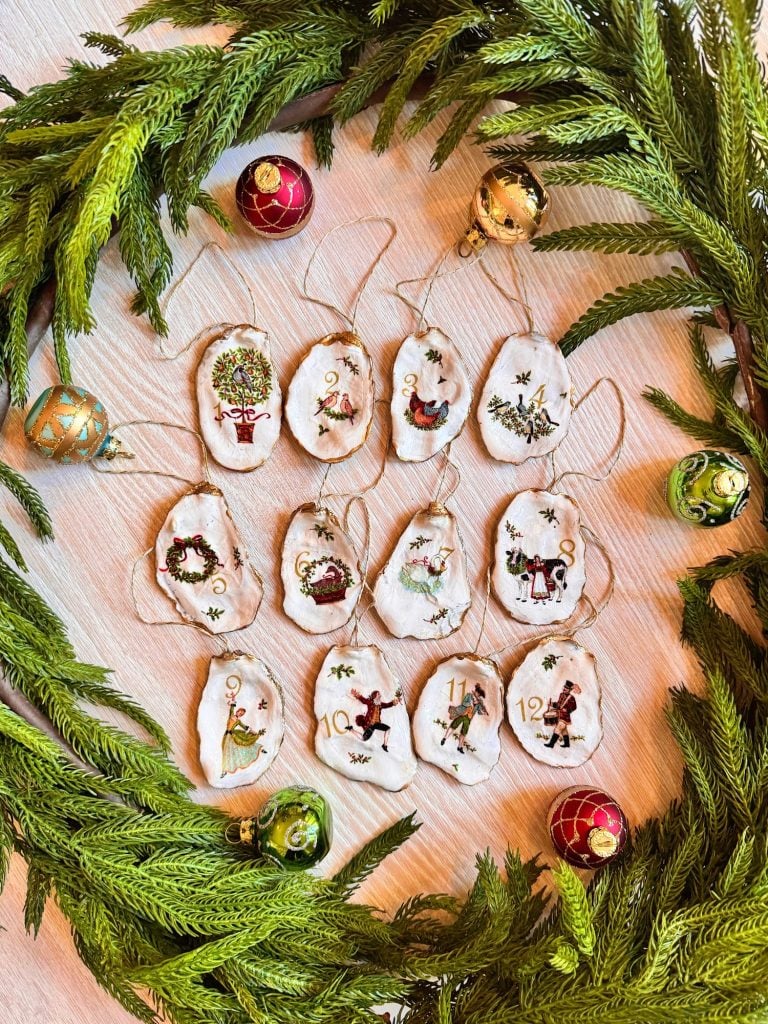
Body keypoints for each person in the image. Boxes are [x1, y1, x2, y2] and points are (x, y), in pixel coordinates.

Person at [441, 684, 488, 753]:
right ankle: (444, 738)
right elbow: (463, 703)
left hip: (468, 718)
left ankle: (459, 746)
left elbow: (479, 712)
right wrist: (470, 703)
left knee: (464, 732)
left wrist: (484, 712)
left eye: (479, 694)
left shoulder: (479, 702)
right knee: (454, 725)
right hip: (462, 713)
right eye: (477, 692)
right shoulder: (469, 695)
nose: (477, 694)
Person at [221, 702, 263, 776]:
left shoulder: (238, 721)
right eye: (240, 712)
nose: (240, 714)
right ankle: (225, 770)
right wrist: (233, 699)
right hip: (226, 735)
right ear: (237, 711)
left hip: (232, 736)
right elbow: (232, 708)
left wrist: (254, 732)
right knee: (226, 751)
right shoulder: (231, 715)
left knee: (234, 749)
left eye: (242, 714)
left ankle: (225, 770)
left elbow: (244, 727)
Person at [543, 680, 582, 749]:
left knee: (557, 729)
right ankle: (567, 744)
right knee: (564, 731)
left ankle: (551, 744)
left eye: (566, 688)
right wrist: (551, 704)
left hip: (565, 717)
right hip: (559, 715)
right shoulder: (561, 695)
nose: (564, 689)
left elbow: (574, 707)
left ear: (569, 690)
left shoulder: (571, 698)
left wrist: (567, 710)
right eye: (564, 687)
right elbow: (558, 705)